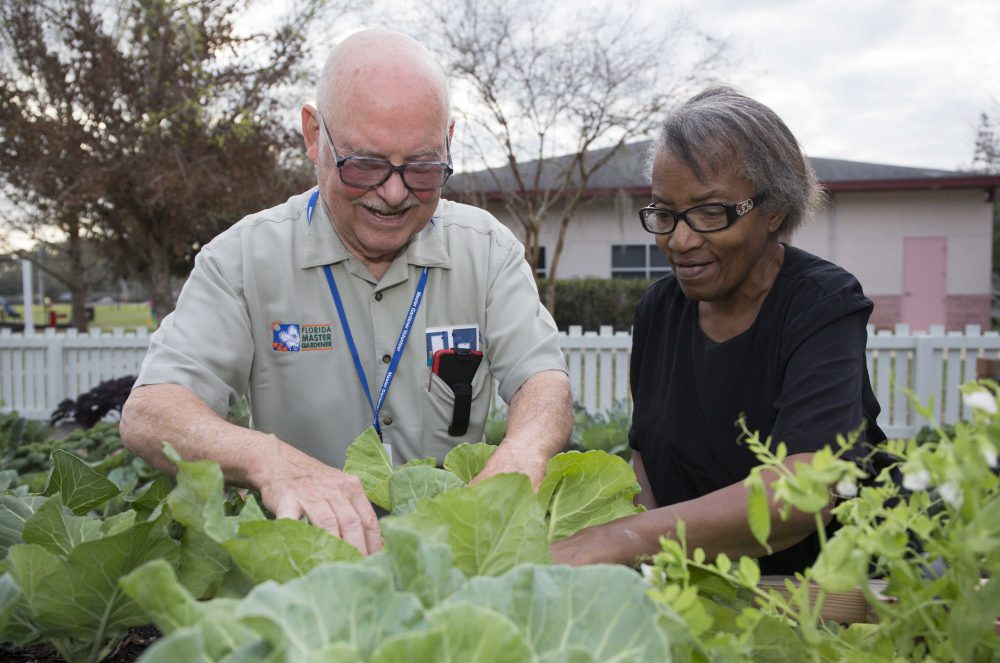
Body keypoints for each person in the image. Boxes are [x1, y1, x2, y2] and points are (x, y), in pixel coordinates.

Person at [120, 29, 573, 557]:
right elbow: (151, 413)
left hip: (453, 564)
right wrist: (274, 463)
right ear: (314, 136)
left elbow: (544, 383)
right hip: (304, 569)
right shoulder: (242, 258)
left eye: (424, 168)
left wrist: (521, 454)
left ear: (449, 140)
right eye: (365, 165)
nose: (395, 192)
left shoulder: (488, 250)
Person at [552, 86, 886, 574]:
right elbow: (647, 463)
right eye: (665, 214)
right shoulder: (659, 310)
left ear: (773, 209)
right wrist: (641, 569)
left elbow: (803, 494)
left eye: (712, 212)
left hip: (829, 594)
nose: (681, 240)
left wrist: (623, 538)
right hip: (704, 585)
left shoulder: (820, 304)